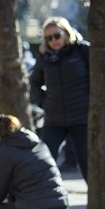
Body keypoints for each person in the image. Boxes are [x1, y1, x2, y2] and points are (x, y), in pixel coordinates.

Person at [29, 16, 91, 181]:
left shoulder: (82, 51)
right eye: (49, 38)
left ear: (66, 33)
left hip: (81, 116)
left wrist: (89, 101)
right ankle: (43, 198)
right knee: (45, 159)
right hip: (54, 117)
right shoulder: (45, 57)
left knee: (87, 161)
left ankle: (96, 201)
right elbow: (34, 82)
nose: (53, 41)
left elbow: (102, 74)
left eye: (57, 35)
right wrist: (44, 102)